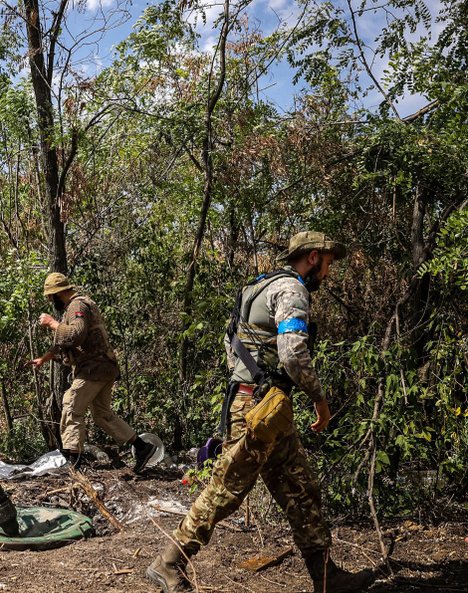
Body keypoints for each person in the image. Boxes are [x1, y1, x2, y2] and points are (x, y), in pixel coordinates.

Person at [145, 231, 376, 593]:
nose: (328, 273)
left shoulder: (256, 287)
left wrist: (249, 388)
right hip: (260, 408)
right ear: (313, 257)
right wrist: (319, 399)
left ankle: (326, 577)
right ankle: (168, 561)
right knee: (227, 488)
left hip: (261, 405)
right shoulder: (291, 290)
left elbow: (230, 342)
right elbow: (294, 353)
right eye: (328, 263)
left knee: (301, 488)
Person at [30, 272, 157, 473]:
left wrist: (52, 323)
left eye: (49, 297)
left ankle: (74, 464)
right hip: (105, 367)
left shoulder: (77, 306)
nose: (49, 301)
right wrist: (44, 358)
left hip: (94, 368)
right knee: (102, 415)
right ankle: (142, 447)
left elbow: (76, 335)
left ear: (57, 294)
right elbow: (67, 342)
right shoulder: (77, 306)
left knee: (71, 404)